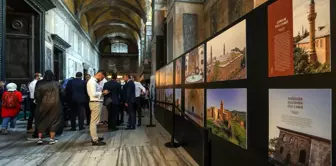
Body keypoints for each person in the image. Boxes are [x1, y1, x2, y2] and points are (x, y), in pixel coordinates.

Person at [34, 70, 62, 145]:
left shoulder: (39, 83)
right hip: (55, 104)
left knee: (41, 120)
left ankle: (40, 138)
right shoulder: (56, 84)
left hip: (42, 104)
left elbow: (36, 95)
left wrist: (40, 101)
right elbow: (63, 93)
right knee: (54, 121)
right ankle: (51, 139)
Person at [87, 70, 107, 146]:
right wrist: (103, 93)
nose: (102, 79)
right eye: (102, 78)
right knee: (94, 122)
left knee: (95, 122)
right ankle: (95, 140)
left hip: (97, 103)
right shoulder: (92, 82)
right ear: (99, 75)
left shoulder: (94, 82)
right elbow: (93, 94)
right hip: (95, 103)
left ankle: (95, 137)